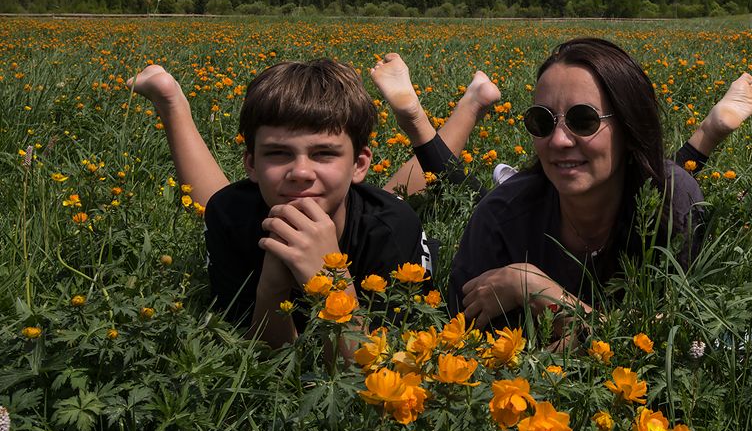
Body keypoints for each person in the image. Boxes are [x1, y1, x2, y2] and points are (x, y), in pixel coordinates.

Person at [128, 57, 500, 347]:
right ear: (250, 164)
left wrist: (332, 280)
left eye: (323, 153)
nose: (300, 172)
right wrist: (271, 287)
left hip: (375, 216)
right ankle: (171, 101)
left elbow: (367, 370)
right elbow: (264, 357)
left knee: (392, 200)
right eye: (278, 153)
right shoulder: (229, 216)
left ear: (360, 164)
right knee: (222, 204)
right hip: (280, 203)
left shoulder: (393, 228)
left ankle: (468, 104)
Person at [439, 38, 752, 330]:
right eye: (542, 120)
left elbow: (676, 336)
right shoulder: (499, 219)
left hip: (648, 177)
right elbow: (460, 339)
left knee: (662, 176)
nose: (559, 140)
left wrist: (535, 290)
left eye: (583, 120)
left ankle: (708, 133)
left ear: (628, 126)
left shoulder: (675, 206)